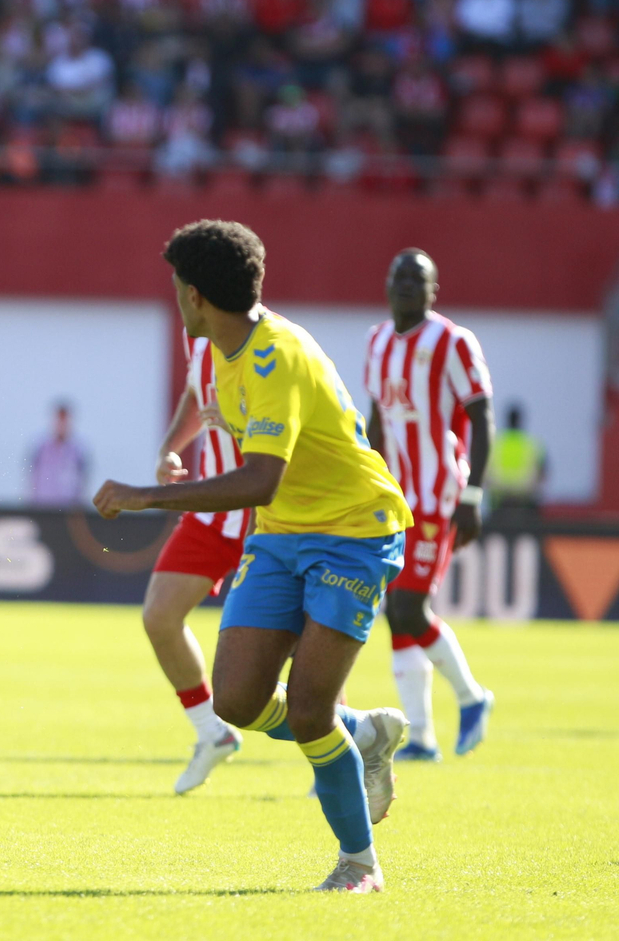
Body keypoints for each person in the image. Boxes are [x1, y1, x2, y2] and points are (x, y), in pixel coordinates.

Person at [94, 220, 411, 893]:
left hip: (354, 532)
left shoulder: (277, 355)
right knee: (237, 701)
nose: (175, 297)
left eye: (177, 286)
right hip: (280, 535)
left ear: (196, 295)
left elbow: (261, 477)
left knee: (309, 711)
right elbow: (247, 460)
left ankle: (359, 863)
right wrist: (172, 450)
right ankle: (364, 733)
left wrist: (146, 496)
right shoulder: (222, 350)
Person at [365, 249, 496, 761]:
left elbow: (481, 416)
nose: (405, 284)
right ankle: (420, 736)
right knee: (395, 614)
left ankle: (472, 697)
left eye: (417, 278)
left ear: (432, 290)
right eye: (398, 275)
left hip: (438, 493)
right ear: (386, 284)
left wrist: (473, 494)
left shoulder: (453, 341)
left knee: (408, 606)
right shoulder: (376, 341)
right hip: (394, 497)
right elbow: (377, 419)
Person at [141, 335, 249, 795]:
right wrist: (171, 446)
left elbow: (301, 422)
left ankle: (341, 751)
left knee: (294, 642)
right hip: (212, 509)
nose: (184, 302)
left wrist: (241, 423)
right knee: (159, 616)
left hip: (267, 513)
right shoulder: (199, 336)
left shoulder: (272, 342)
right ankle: (211, 731)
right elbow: (195, 390)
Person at [28, 402, 89, 506]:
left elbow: (82, 481)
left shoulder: (77, 451)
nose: (62, 425)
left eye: (64, 421)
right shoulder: (41, 448)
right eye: (59, 420)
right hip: (43, 506)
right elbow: (32, 477)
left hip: (68, 507)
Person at [487, 404, 546, 511]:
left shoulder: (496, 443)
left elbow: (484, 470)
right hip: (524, 498)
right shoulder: (532, 444)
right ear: (520, 421)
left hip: (500, 499)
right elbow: (542, 472)